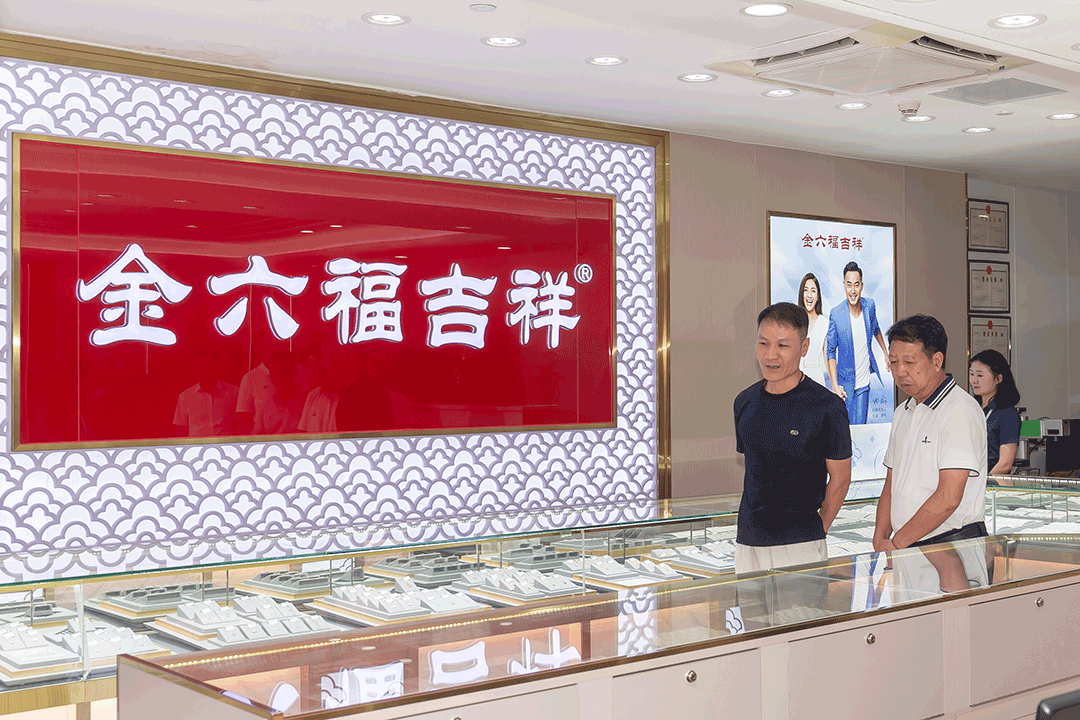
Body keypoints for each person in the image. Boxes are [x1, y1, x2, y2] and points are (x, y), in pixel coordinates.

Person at [733, 302, 852, 573]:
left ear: (804, 347)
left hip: (801, 543)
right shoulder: (744, 402)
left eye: (783, 346)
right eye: (763, 344)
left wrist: (818, 528)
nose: (770, 355)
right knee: (748, 602)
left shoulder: (827, 406)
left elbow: (841, 478)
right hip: (749, 542)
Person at [873, 314, 988, 551]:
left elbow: (949, 496)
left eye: (909, 362)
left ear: (937, 361)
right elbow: (891, 484)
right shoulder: (903, 412)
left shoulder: (959, 410)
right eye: (893, 362)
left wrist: (899, 542)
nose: (900, 372)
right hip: (909, 546)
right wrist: (880, 537)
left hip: (952, 546)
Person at [826, 261, 888, 425]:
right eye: (849, 285)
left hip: (863, 384)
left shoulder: (870, 306)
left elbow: (876, 329)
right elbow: (830, 352)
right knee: (844, 431)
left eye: (856, 285)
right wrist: (835, 386)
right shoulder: (836, 314)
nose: (853, 290)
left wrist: (886, 353)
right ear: (844, 286)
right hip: (844, 386)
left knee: (860, 429)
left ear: (861, 286)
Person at [968, 349, 1021, 477]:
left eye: (980, 375)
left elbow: (1005, 464)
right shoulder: (970, 408)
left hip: (989, 483)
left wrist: (984, 483)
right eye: (972, 374)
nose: (974, 380)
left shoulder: (1007, 414)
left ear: (998, 379)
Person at [172, 351, 239, 437]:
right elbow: (180, 429)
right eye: (200, 367)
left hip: (225, 444)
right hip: (196, 445)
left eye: (208, 366)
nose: (204, 371)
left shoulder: (234, 392)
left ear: (216, 367)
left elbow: (240, 424)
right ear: (195, 370)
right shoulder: (185, 396)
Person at [797, 272, 829, 388]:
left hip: (816, 379)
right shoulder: (794, 321)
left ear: (818, 296)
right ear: (802, 294)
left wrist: (835, 385)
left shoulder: (824, 324)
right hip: (796, 378)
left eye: (813, 291)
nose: (809, 295)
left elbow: (828, 358)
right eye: (806, 290)